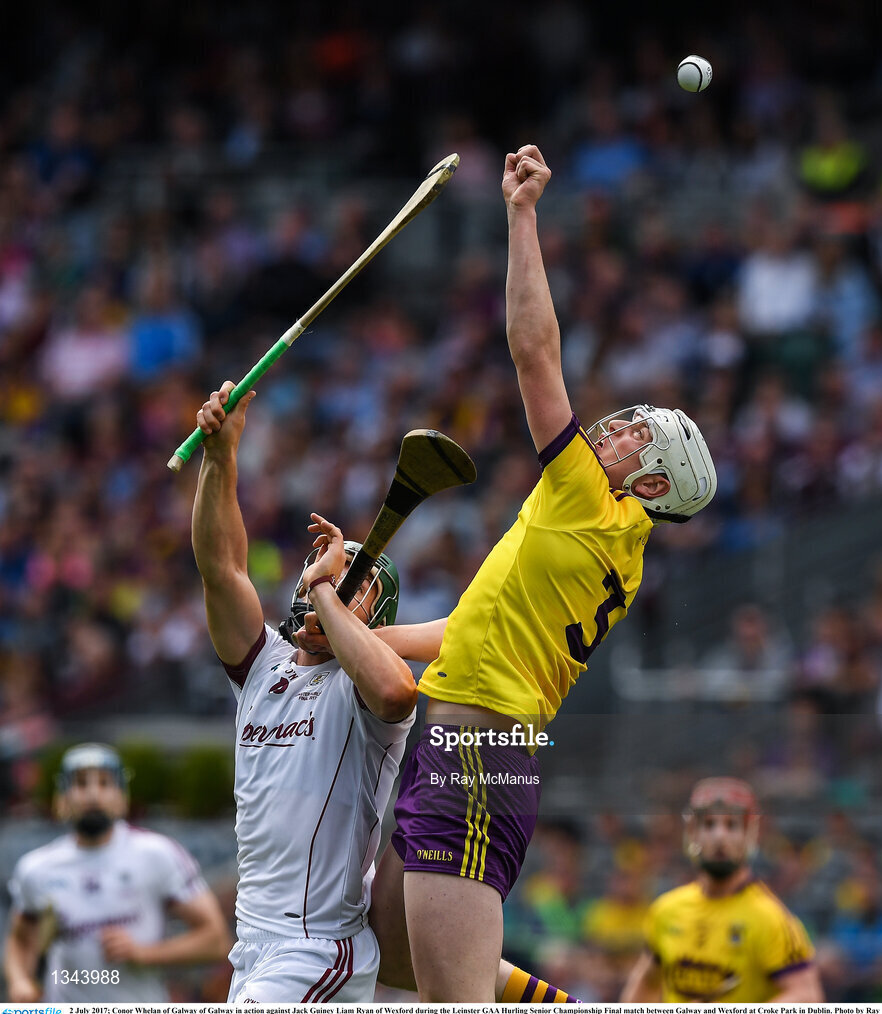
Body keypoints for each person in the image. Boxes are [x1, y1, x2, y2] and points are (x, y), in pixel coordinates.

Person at [367, 144, 718, 1002]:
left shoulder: (591, 500)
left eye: (642, 434)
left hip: (477, 749)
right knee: (391, 948)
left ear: (651, 483)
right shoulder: (605, 539)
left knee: (447, 998)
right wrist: (370, 636)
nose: (622, 424)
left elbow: (533, 351)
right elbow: (468, 630)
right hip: (467, 732)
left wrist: (521, 214)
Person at [190, 383, 418, 1003]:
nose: (331, 585)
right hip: (253, 943)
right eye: (323, 572)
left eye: (354, 583)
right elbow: (222, 567)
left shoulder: (365, 682)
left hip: (319, 945)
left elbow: (398, 695)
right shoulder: (263, 667)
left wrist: (325, 595)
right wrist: (221, 456)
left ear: (378, 613)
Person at [3, 742, 232, 1003]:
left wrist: (143, 953)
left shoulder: (158, 854)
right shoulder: (36, 868)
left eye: (104, 783)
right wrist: (20, 981)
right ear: (62, 798)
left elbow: (215, 941)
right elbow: (20, 940)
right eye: (80, 784)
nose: (92, 795)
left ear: (122, 796)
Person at [621, 777, 824, 1003]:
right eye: (709, 825)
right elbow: (645, 982)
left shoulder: (772, 919)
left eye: (732, 825)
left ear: (750, 835)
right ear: (692, 832)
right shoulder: (666, 910)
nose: (720, 837)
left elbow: (807, 996)